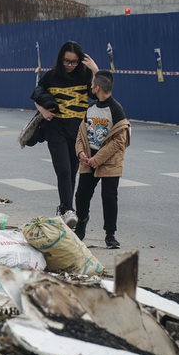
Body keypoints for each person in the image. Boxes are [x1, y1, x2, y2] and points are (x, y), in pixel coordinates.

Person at [33, 41, 99, 227]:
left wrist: (95, 70)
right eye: (66, 61)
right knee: (63, 170)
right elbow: (37, 93)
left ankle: (63, 209)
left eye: (74, 62)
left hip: (78, 132)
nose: (70, 65)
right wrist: (43, 111)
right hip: (56, 130)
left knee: (71, 173)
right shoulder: (52, 76)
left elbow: (100, 93)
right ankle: (69, 210)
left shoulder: (85, 76)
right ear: (60, 59)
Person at [74, 70, 131, 249]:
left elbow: (119, 141)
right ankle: (82, 221)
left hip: (109, 162)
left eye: (92, 85)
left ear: (97, 88)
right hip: (88, 161)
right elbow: (81, 135)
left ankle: (110, 234)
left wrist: (98, 159)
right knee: (81, 195)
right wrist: (80, 153)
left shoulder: (116, 110)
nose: (90, 88)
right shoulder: (90, 109)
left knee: (109, 197)